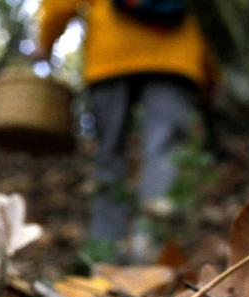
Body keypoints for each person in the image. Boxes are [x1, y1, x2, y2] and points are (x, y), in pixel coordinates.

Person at [28, 1, 215, 262]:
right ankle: (152, 252)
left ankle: (104, 255)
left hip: (111, 55)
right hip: (176, 58)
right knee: (163, 153)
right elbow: (210, 15)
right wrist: (210, 72)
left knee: (109, 156)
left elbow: (60, 5)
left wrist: (46, 41)